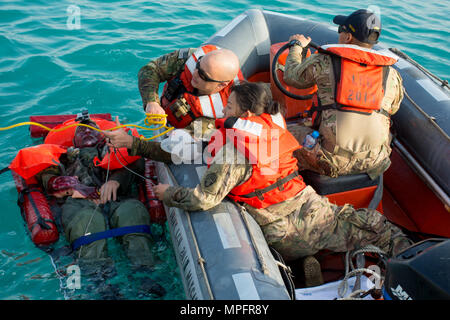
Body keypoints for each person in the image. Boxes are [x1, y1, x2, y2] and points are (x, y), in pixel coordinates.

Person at [105, 82, 411, 287]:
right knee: (377, 226)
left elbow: (202, 199)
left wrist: (167, 193)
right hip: (313, 213)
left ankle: (298, 268)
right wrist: (136, 143)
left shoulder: (232, 153)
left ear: (246, 113)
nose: (224, 111)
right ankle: (407, 270)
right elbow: (312, 163)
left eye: (229, 107)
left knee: (309, 241)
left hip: (281, 233)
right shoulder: (279, 130)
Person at [35, 116, 165, 298]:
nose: (87, 131)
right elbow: (49, 181)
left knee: (132, 213)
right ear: (73, 139)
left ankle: (145, 272)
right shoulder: (61, 157)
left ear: (101, 133)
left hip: (117, 198)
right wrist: (77, 187)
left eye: (92, 128)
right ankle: (101, 282)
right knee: (89, 224)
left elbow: (137, 162)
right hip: (79, 205)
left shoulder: (114, 148)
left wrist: (115, 181)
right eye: (81, 129)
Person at [283, 9, 404, 179]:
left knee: (278, 133)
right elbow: (393, 107)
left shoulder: (324, 61)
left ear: (348, 37)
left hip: (330, 160)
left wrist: (296, 46)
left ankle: (283, 187)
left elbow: (291, 77)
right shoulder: (391, 74)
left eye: (341, 31)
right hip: (374, 161)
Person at [138, 45, 243, 138]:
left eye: (203, 76)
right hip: (161, 115)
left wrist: (134, 144)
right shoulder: (191, 59)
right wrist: (151, 102)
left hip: (185, 140)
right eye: (198, 66)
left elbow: (185, 147)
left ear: (221, 84)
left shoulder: (225, 110)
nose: (195, 73)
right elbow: (150, 70)